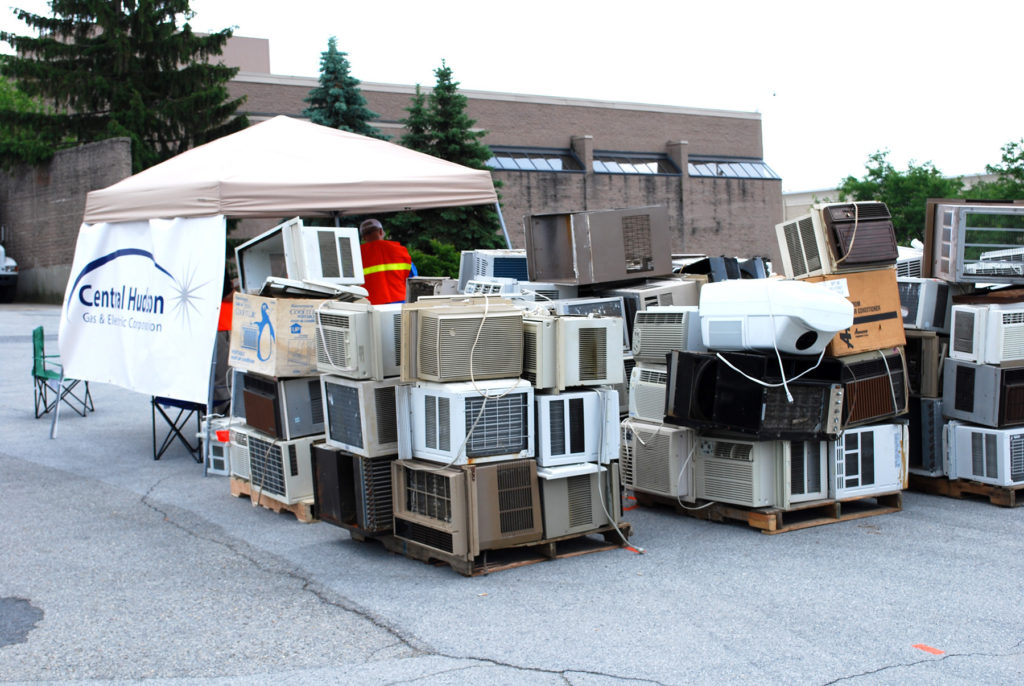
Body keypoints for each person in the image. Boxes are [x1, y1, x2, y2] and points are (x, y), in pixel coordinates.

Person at [358, 218, 416, 305]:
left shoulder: (356, 255)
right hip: (399, 301)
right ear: (381, 231)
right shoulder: (400, 250)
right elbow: (413, 278)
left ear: (363, 237)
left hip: (370, 304)